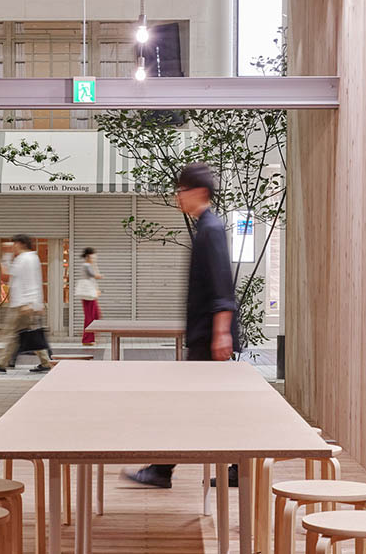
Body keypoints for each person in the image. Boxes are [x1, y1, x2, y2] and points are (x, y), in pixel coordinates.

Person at [122, 162, 241, 489]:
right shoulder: (205, 226)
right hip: (206, 335)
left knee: (183, 403)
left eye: (181, 190)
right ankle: (236, 467)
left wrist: (220, 332)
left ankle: (163, 469)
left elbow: (222, 286)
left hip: (209, 338)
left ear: (199, 192)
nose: (178, 197)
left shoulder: (211, 228)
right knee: (210, 405)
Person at [0, 235, 55, 374]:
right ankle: (45, 362)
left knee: (13, 334)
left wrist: (32, 303)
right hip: (22, 304)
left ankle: (2, 363)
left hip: (23, 305)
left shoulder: (27, 259)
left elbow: (32, 281)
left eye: (14, 244)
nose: (13, 246)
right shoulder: (24, 258)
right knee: (29, 333)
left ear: (20, 244)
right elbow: (8, 273)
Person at [76, 247, 103, 345]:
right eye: (93, 255)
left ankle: (91, 337)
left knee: (95, 315)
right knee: (90, 317)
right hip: (88, 296)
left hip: (91, 295)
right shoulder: (86, 265)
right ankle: (87, 339)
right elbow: (95, 276)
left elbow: (93, 279)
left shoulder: (88, 265)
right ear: (88, 255)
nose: (95, 256)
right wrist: (94, 264)